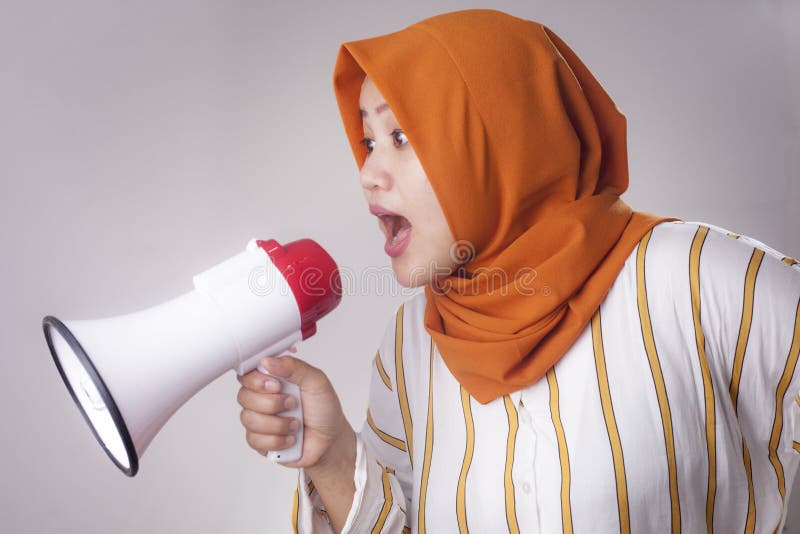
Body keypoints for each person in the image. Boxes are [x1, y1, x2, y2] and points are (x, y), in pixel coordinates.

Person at [235, 8, 800, 533]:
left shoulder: (697, 277)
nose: (368, 172)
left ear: (499, 138)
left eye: (401, 137)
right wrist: (333, 457)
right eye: (367, 140)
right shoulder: (409, 344)